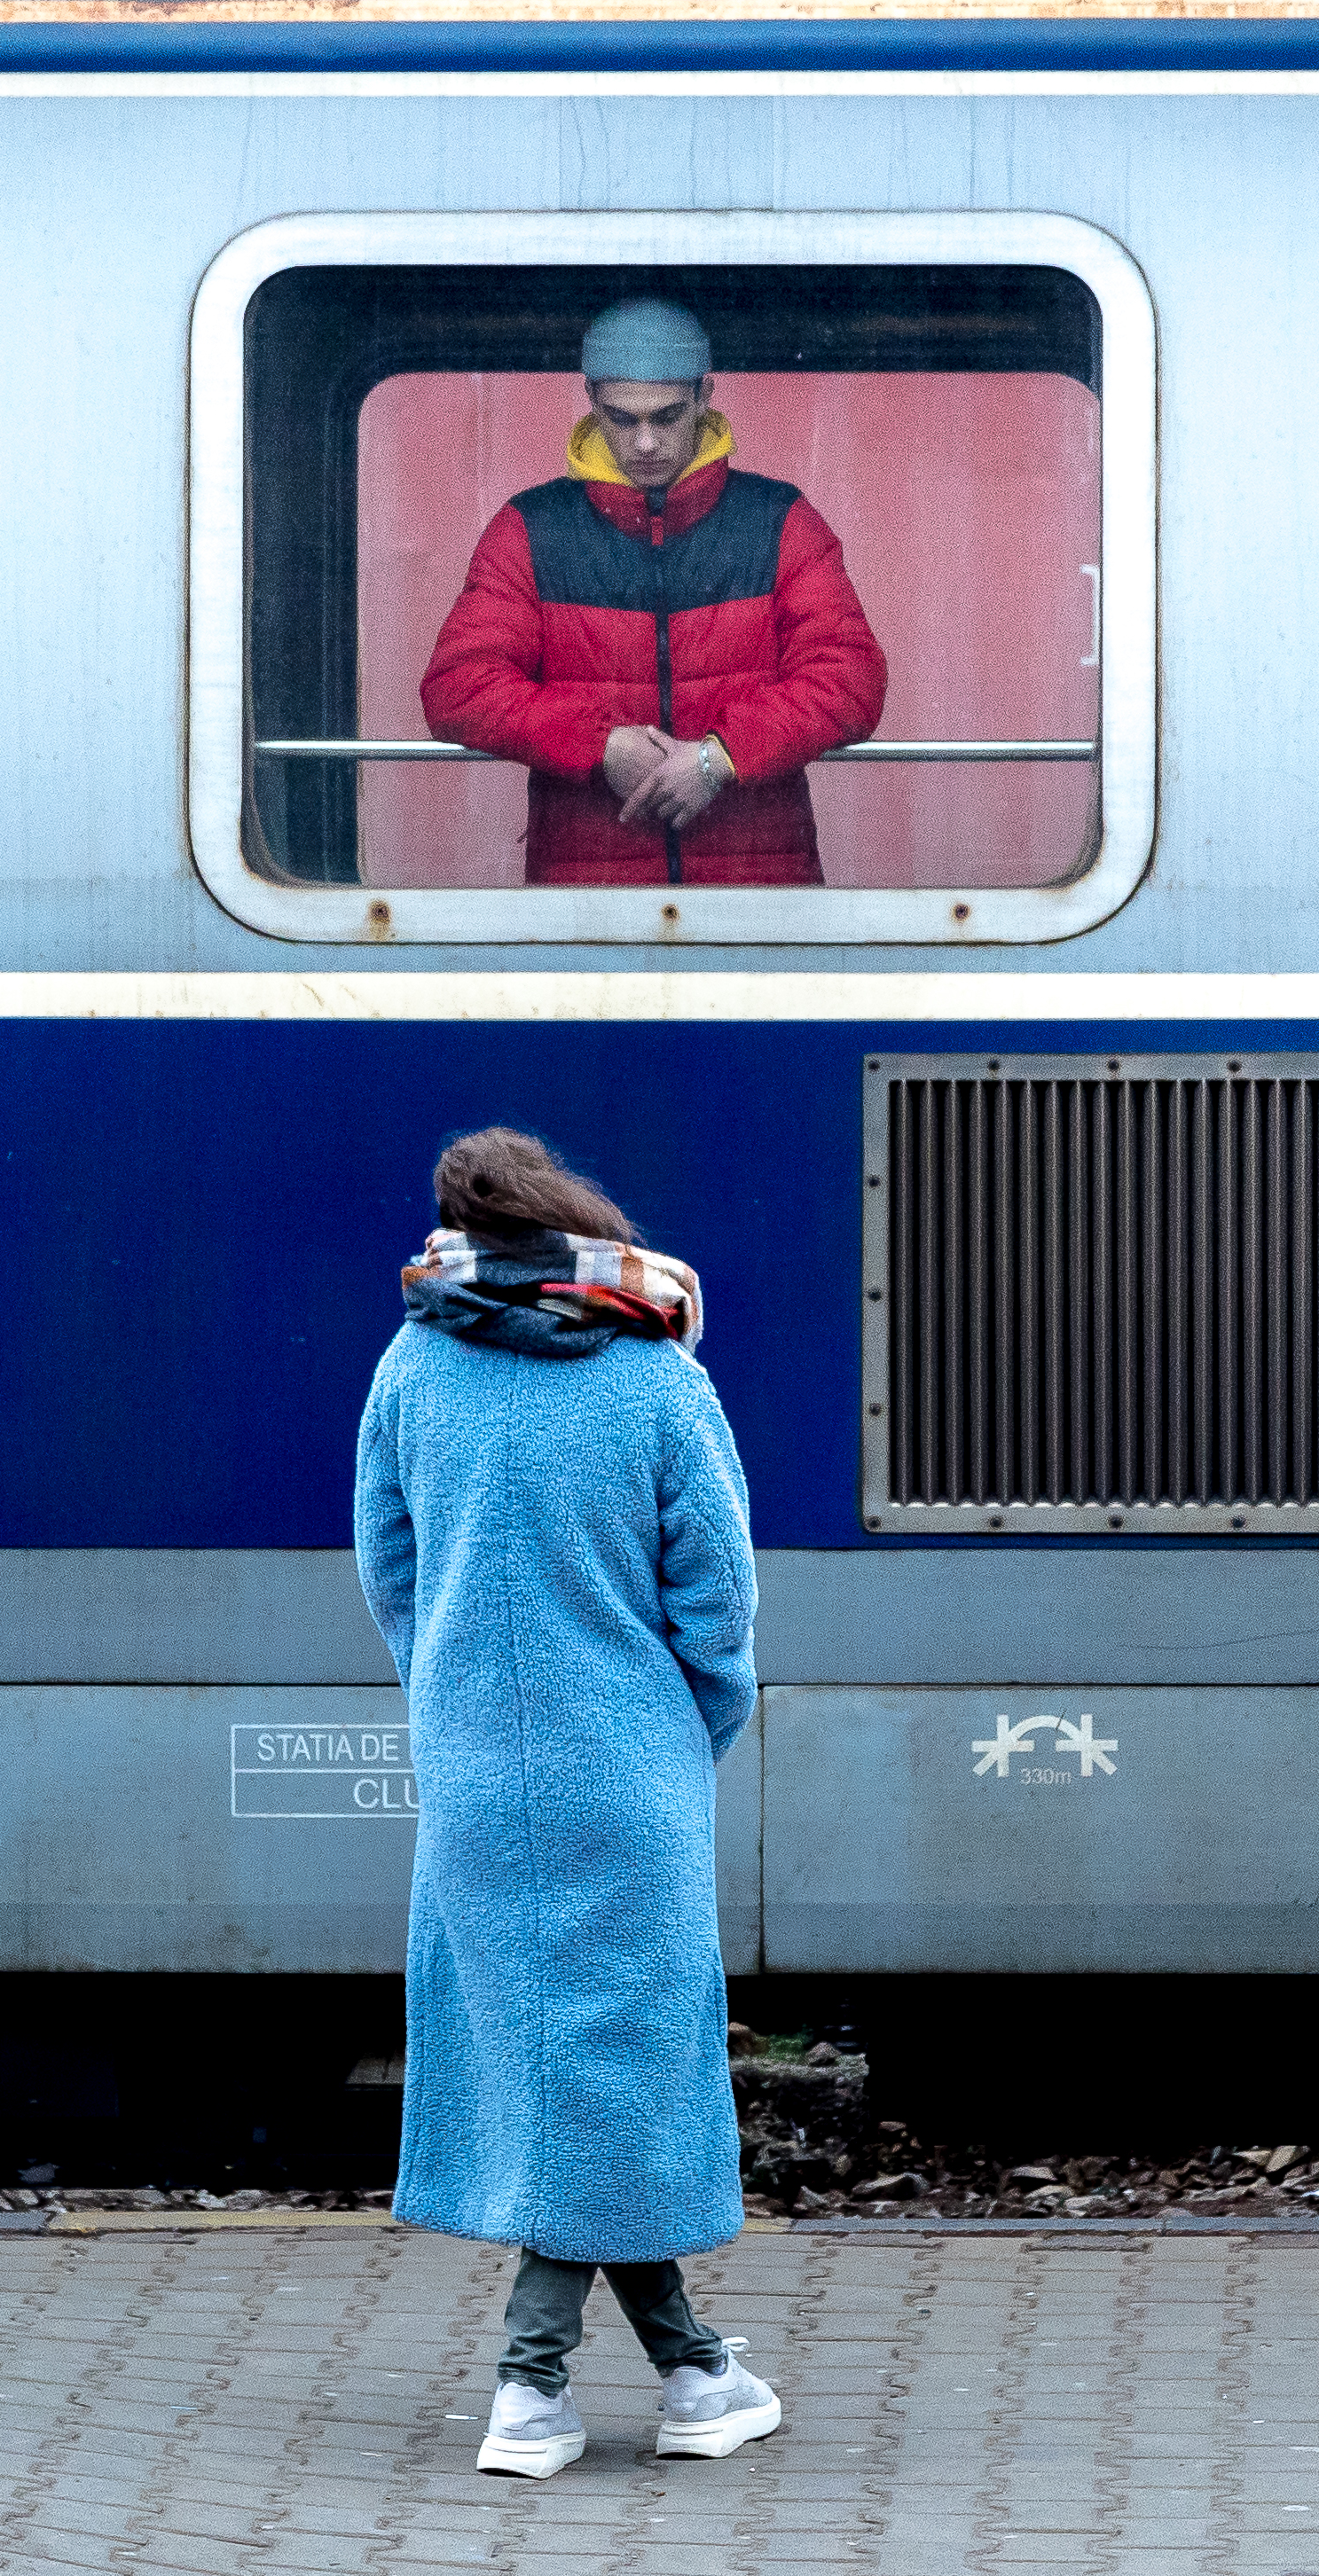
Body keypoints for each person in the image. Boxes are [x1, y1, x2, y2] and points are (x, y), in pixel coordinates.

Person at [353, 1126, 782, 2479]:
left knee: (551, 2068)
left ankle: (696, 2368)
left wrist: (456, 1696)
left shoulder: (410, 1366)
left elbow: (391, 1572)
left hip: (473, 1768)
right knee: (617, 2064)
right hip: (629, 1770)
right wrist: (676, 1734)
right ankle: (528, 2390)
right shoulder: (656, 1380)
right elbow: (716, 1607)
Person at [420, 298, 888, 887]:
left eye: (666, 417)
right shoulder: (530, 529)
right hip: (591, 901)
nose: (645, 443)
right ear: (591, 400)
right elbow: (458, 686)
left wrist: (718, 760)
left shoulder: (780, 520)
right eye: (622, 419)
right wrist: (601, 746)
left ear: (703, 396)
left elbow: (850, 676)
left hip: (756, 892)